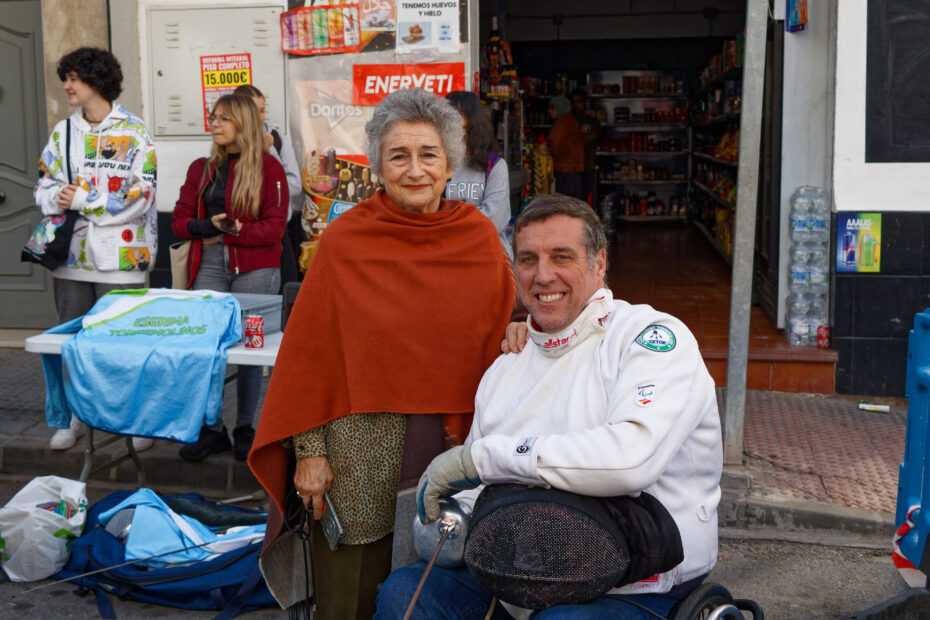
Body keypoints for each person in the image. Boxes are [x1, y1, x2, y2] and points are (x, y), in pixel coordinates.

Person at [375, 194, 723, 620]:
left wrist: (482, 459)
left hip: (634, 585)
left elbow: (630, 460)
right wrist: (451, 519)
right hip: (516, 580)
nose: (543, 275)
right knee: (406, 593)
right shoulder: (508, 366)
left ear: (599, 264)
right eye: (528, 259)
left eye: (562, 257)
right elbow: (474, 491)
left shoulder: (648, 339)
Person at [248, 88, 516, 620]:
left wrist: (518, 332)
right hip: (356, 451)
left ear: (450, 162)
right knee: (350, 591)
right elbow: (310, 356)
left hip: (450, 444)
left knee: (437, 586)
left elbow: (503, 333)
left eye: (428, 154)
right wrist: (310, 454)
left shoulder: (479, 240)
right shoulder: (348, 239)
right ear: (378, 166)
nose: (414, 169)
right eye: (399, 156)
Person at [34, 47, 157, 452]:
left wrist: (85, 200)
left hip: (123, 259)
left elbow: (143, 194)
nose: (66, 86)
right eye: (65, 78)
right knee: (70, 340)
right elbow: (43, 185)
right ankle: (74, 417)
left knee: (126, 342)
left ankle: (134, 420)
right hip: (70, 257)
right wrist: (59, 197)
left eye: (73, 78)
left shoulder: (136, 131)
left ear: (96, 81)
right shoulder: (62, 132)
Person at [171, 93, 288, 462]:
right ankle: (212, 428)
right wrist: (208, 226)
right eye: (213, 117)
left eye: (223, 118)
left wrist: (234, 231)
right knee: (208, 348)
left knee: (250, 351)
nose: (214, 123)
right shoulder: (200, 169)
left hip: (255, 266)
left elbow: (274, 227)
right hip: (207, 262)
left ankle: (245, 427)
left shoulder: (270, 169)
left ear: (243, 123)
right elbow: (179, 221)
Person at [233, 84, 303, 289]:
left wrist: (269, 152)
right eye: (254, 112)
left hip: (278, 233)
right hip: (242, 235)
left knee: (286, 294)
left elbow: (293, 186)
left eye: (262, 111)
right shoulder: (229, 143)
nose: (260, 117)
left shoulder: (277, 139)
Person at [444, 91, 512, 260]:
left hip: (487, 257)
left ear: (472, 119)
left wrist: (447, 221)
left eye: (456, 113)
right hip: (448, 256)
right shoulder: (437, 163)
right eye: (445, 113)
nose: (448, 119)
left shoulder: (494, 165)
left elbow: (494, 219)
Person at [547, 95, 586, 200]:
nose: (549, 111)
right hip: (574, 170)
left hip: (564, 171)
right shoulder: (571, 121)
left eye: (552, 108)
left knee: (565, 205)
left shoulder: (561, 124)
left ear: (559, 108)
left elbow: (552, 146)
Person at [571, 88, 601, 204]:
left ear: (585, 103)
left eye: (579, 101)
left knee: (587, 200)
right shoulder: (568, 121)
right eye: (573, 102)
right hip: (571, 168)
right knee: (572, 202)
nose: (576, 105)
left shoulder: (592, 121)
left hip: (587, 166)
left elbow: (592, 136)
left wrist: (575, 139)